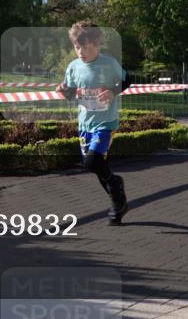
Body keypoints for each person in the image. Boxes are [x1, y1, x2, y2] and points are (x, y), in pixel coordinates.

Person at [58, 21, 131, 224]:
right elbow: (72, 94)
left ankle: (116, 186)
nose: (81, 51)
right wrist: (64, 91)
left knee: (93, 162)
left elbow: (127, 80)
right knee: (98, 166)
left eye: (86, 47)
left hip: (106, 123)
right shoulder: (73, 67)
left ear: (97, 44)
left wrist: (112, 91)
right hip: (85, 125)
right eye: (77, 47)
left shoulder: (109, 64)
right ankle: (118, 203)